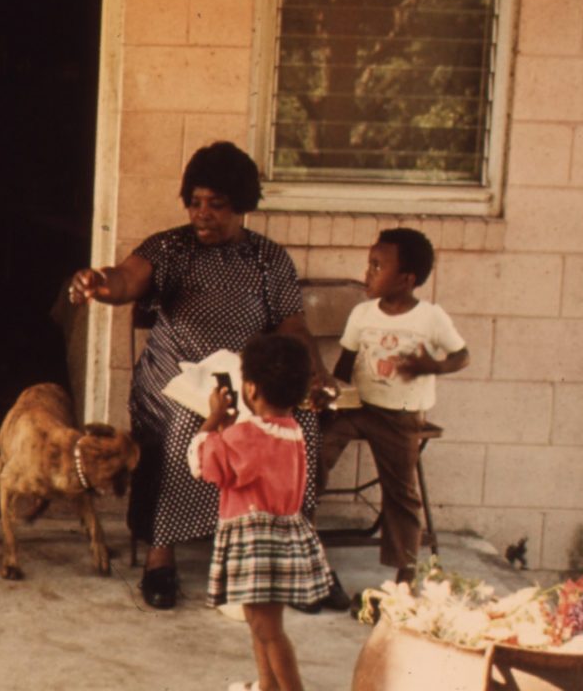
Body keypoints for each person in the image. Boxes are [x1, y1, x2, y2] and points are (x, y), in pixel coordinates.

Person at [67, 142, 330, 610]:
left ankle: (296, 560)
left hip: (245, 377)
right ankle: (160, 558)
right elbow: (125, 279)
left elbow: (293, 325)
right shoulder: (170, 248)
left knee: (300, 424)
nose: (203, 215)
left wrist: (315, 374)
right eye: (195, 203)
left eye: (217, 205)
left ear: (242, 206)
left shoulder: (269, 259)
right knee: (188, 426)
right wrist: (98, 283)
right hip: (178, 373)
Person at [320, 227, 469, 592]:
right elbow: (346, 361)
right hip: (357, 408)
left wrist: (432, 367)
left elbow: (461, 355)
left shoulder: (430, 317)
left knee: (401, 491)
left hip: (400, 417)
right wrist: (332, 397)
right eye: (369, 264)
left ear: (406, 279)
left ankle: (405, 570)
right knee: (315, 453)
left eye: (377, 266)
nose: (368, 273)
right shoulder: (362, 313)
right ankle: (303, 538)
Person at [190, 333, 333, 691]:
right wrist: (228, 429)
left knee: (269, 631)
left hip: (257, 544)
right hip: (279, 539)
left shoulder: (247, 436)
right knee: (259, 623)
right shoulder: (292, 430)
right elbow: (243, 464)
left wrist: (212, 419)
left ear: (250, 390)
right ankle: (267, 686)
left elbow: (207, 464)